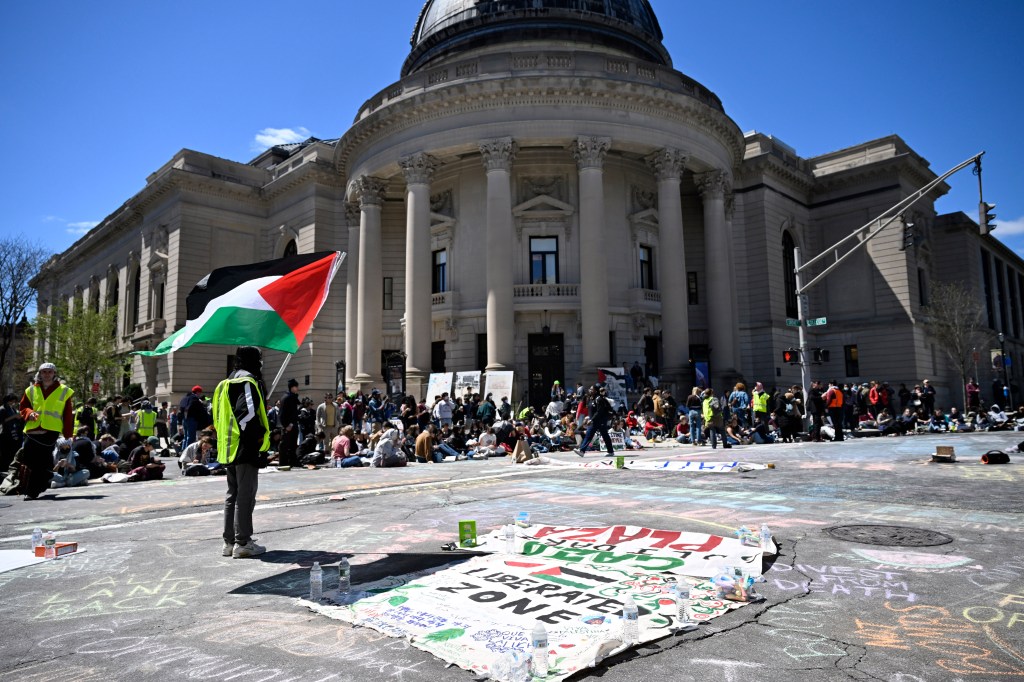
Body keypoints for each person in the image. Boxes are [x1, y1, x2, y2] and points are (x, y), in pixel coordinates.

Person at [214, 346, 271, 559]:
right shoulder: (247, 382)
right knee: (245, 496)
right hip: (244, 448)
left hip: (228, 447)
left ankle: (229, 541)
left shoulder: (226, 383)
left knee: (233, 495)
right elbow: (245, 414)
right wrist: (255, 443)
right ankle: (243, 542)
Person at [3, 362, 74, 500]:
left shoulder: (64, 390)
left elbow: (67, 414)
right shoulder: (30, 390)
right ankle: (39, 483)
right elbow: (23, 407)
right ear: (40, 374)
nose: (47, 374)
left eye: (49, 372)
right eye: (44, 372)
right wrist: (30, 413)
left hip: (50, 431)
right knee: (28, 459)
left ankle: (33, 490)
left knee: (42, 461)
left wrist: (68, 435)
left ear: (54, 374)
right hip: (31, 430)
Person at [575, 386, 615, 456]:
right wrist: (589, 418)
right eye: (589, 389)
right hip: (594, 421)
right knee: (589, 435)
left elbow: (599, 411)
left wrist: (591, 419)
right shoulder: (591, 399)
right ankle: (582, 451)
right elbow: (591, 411)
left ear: (595, 391)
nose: (589, 390)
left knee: (604, 435)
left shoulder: (599, 399)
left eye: (591, 389)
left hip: (600, 420)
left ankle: (611, 451)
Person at [278, 378, 301, 467]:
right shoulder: (287, 397)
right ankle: (283, 463)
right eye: (296, 386)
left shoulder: (292, 397)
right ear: (292, 387)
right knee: (285, 445)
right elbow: (282, 413)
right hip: (288, 426)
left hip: (293, 424)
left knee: (293, 445)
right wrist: (286, 425)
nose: (297, 388)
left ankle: (292, 461)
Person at [0, 393, 23, 474]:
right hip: (6, 434)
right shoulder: (2, 409)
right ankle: (4, 469)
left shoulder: (13, 409)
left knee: (12, 453)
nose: (14, 403)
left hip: (14, 434)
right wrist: (14, 416)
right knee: (5, 454)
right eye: (12, 401)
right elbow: (3, 421)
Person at [179, 386, 205, 450]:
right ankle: (188, 452)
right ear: (198, 392)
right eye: (200, 392)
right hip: (192, 419)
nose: (200, 394)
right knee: (191, 437)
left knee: (186, 436)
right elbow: (199, 409)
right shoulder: (194, 398)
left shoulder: (185, 398)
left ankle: (183, 450)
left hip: (184, 419)